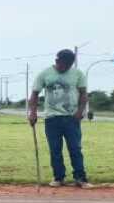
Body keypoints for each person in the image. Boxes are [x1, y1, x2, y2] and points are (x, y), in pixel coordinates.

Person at [28, 49, 90, 188]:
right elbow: (34, 95)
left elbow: (84, 95)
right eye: (63, 65)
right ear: (57, 61)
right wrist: (33, 113)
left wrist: (80, 112)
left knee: (75, 148)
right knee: (55, 150)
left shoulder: (78, 74)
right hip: (52, 118)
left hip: (71, 118)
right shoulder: (45, 74)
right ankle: (58, 177)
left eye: (68, 65)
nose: (65, 68)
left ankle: (80, 178)